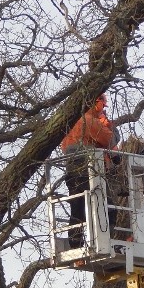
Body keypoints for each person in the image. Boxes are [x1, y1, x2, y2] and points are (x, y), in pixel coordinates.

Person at [60, 94, 119, 247]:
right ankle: (108, 242)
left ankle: (75, 244)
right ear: (95, 102)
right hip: (90, 171)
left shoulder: (69, 125)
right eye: (102, 106)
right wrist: (108, 125)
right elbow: (111, 140)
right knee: (109, 206)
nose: (102, 111)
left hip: (72, 173)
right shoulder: (89, 121)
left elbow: (65, 147)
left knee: (78, 209)